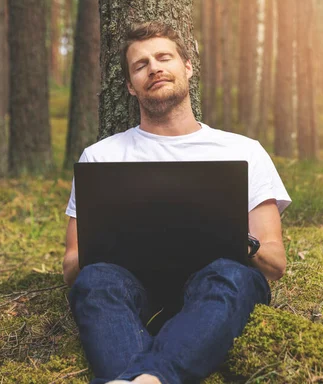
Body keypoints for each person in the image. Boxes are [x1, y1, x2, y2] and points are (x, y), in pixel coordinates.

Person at [62, 21, 291, 384]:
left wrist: (234, 237)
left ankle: (149, 377)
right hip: (129, 286)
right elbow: (72, 267)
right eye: (140, 65)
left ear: (187, 66)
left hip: (213, 286)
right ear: (130, 86)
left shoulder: (244, 151)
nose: (153, 68)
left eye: (163, 57)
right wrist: (104, 244)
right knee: (96, 280)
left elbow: (275, 264)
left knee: (233, 276)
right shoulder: (100, 157)